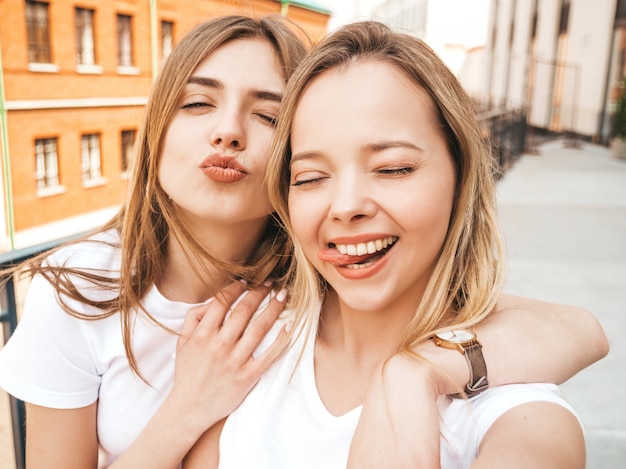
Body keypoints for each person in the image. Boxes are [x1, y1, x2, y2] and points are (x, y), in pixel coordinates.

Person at [0, 14, 606, 469]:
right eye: (197, 102)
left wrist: (413, 371)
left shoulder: (276, 310)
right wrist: (188, 406)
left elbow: (570, 330)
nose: (227, 134)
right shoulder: (97, 289)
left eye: (267, 116)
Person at [182, 21, 607, 468]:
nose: (345, 207)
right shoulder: (240, 344)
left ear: (460, 177)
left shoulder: (521, 416)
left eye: (393, 168)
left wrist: (410, 376)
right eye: (311, 177)